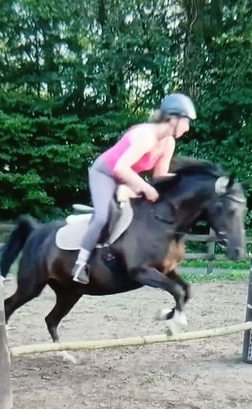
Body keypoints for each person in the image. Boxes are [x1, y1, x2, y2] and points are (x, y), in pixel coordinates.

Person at [71, 93, 197, 284]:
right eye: (186, 121)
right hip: (105, 173)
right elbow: (120, 168)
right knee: (104, 215)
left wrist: (185, 179)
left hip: (125, 177)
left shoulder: (168, 143)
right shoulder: (146, 136)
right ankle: (80, 263)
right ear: (173, 118)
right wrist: (146, 188)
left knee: (140, 213)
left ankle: (121, 255)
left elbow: (159, 176)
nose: (187, 128)